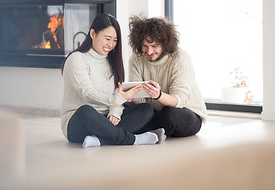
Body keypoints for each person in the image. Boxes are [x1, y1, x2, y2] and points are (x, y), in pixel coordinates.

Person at [61, 14, 165, 148]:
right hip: (80, 122)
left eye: (115, 40)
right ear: (93, 34)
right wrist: (117, 99)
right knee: (86, 111)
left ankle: (99, 140)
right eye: (107, 38)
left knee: (146, 109)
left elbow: (118, 92)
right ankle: (133, 139)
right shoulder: (77, 59)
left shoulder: (112, 61)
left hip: (107, 119)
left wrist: (115, 111)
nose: (110, 45)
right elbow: (86, 93)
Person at [128, 16, 208, 137]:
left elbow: (179, 100)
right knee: (128, 108)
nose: (149, 52)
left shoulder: (180, 58)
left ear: (165, 43)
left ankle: (134, 132)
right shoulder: (136, 58)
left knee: (169, 115)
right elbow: (139, 100)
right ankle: (146, 132)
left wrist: (158, 95)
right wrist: (130, 97)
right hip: (154, 112)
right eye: (145, 46)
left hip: (185, 112)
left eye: (154, 46)